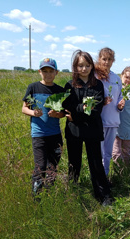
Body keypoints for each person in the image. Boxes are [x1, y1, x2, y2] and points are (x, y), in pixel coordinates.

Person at [62, 50, 112, 206]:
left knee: (96, 163)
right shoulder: (69, 85)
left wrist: (75, 113)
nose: (84, 69)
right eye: (80, 65)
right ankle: (73, 193)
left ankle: (103, 195)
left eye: (87, 65)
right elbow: (66, 106)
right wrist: (82, 108)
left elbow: (95, 110)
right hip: (74, 131)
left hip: (92, 130)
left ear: (92, 66)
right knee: (74, 163)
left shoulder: (97, 85)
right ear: (75, 67)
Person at [22, 57, 65, 195]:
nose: (48, 74)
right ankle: (36, 195)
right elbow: (24, 108)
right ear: (39, 72)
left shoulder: (59, 90)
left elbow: (63, 113)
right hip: (39, 134)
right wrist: (33, 113)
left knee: (53, 166)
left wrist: (57, 114)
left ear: (56, 72)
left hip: (55, 134)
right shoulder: (33, 87)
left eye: (51, 71)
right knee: (40, 166)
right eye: (44, 71)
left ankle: (49, 193)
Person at [95, 47, 124, 176]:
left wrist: (120, 105)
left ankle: (105, 177)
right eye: (104, 59)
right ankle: (98, 178)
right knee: (98, 153)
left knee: (108, 153)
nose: (106, 62)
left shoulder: (117, 78)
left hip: (113, 120)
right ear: (99, 59)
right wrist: (101, 101)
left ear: (113, 61)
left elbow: (119, 97)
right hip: (99, 121)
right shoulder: (94, 76)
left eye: (109, 59)